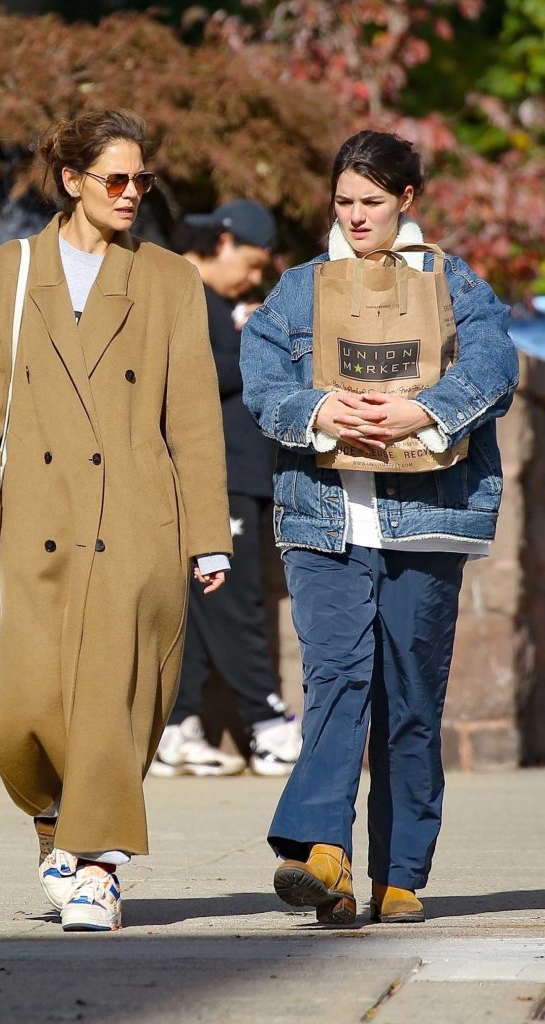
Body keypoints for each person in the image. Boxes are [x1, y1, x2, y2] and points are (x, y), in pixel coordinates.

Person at [0, 108, 232, 932]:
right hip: (33, 516)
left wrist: (208, 531)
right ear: (71, 182)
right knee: (12, 716)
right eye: (117, 178)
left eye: (143, 179)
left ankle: (101, 866)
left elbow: (195, 420)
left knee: (113, 702)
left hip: (139, 517)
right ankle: (54, 828)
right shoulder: (4, 274)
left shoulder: (170, 279)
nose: (133, 192)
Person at [240, 130, 518, 925]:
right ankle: (322, 854)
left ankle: (400, 873)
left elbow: (496, 367)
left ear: (407, 199)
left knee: (410, 697)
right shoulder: (300, 290)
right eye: (344, 202)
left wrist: (420, 411)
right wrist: (319, 410)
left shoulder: (455, 284)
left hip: (428, 521)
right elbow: (262, 379)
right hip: (324, 519)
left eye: (372, 201)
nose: (356, 215)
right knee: (335, 681)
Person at [150, 201, 302, 779]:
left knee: (202, 602)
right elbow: (182, 377)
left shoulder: (211, 301)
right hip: (216, 475)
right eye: (254, 263)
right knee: (234, 602)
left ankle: (176, 726)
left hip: (234, 474)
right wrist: (255, 349)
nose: (255, 278)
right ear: (224, 240)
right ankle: (267, 727)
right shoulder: (177, 289)